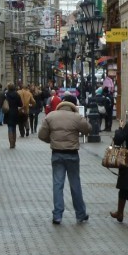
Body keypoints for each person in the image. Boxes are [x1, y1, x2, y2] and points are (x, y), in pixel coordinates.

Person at [37, 94, 91, 225]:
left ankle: (57, 215)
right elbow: (88, 129)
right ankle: (80, 214)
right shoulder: (76, 117)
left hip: (57, 153)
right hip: (72, 154)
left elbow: (41, 135)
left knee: (58, 184)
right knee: (75, 184)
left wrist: (52, 140)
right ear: (73, 105)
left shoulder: (51, 116)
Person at [3, 83, 22, 149]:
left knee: (10, 127)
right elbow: (20, 104)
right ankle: (14, 142)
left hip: (8, 112)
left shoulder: (6, 95)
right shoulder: (17, 94)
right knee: (14, 127)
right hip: (15, 112)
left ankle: (11, 143)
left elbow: (3, 102)